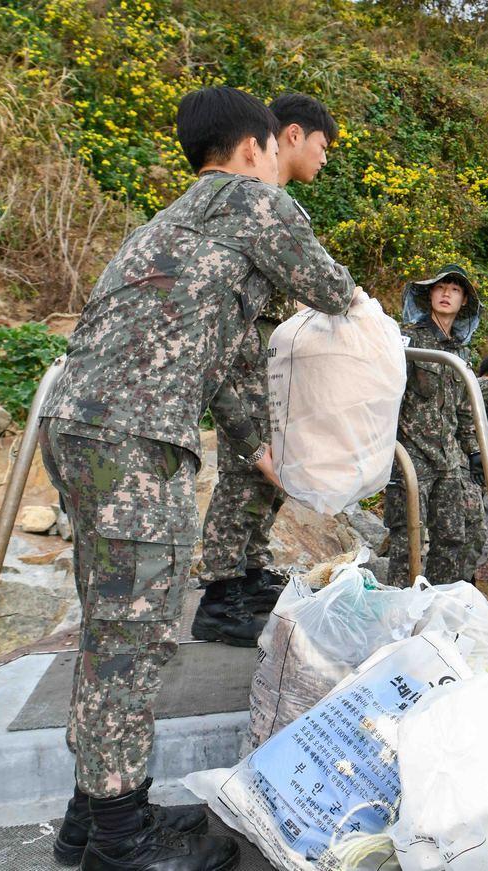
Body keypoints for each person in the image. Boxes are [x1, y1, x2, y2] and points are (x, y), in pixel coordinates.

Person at [39, 86, 356, 871]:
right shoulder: (255, 203)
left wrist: (255, 446)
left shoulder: (177, 221)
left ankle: (97, 812)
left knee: (114, 631)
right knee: (131, 642)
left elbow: (211, 359)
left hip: (83, 427)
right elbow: (336, 293)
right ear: (256, 147)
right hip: (131, 442)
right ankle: (120, 842)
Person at [192, 93, 339, 647]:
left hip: (264, 365)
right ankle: (219, 598)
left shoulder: (265, 196)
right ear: (293, 136)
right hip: (239, 360)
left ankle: (248, 575)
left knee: (265, 482)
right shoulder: (257, 197)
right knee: (243, 476)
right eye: (323, 146)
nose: (324, 159)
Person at [385, 264, 486, 586]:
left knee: (453, 538)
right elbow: (386, 391)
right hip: (411, 452)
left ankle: (437, 609)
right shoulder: (408, 338)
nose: (446, 294)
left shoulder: (462, 352)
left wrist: (474, 453)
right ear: (429, 293)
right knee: (407, 537)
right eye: (441, 287)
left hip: (449, 458)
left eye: (455, 290)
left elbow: (464, 409)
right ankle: (399, 611)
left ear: (463, 300)